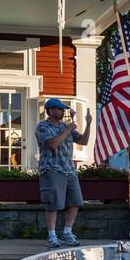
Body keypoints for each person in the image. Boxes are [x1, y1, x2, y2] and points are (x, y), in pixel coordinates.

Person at [35, 98, 92, 248]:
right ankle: (52, 236)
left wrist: (88, 124)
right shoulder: (43, 127)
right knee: (53, 204)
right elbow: (53, 144)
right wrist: (68, 130)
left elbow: (83, 141)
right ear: (51, 110)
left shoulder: (65, 127)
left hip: (69, 170)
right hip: (52, 169)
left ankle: (67, 232)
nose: (63, 111)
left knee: (75, 201)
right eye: (60, 109)